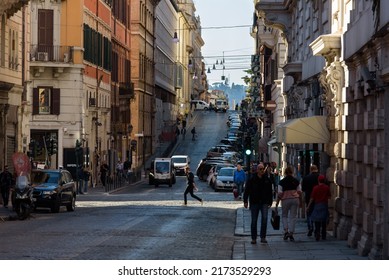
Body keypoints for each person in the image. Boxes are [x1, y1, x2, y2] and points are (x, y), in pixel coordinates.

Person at [243, 163, 273, 244]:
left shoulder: (267, 179)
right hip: (254, 202)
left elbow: (270, 192)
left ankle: (263, 237)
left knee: (264, 219)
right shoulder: (252, 180)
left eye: (263, 169)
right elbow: (247, 191)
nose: (262, 170)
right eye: (260, 169)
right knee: (254, 220)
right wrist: (245, 201)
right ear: (257, 170)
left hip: (264, 202)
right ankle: (254, 238)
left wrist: (270, 201)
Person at [275, 166, 302, 242]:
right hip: (295, 199)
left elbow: (280, 193)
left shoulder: (281, 182)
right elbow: (299, 191)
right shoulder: (296, 181)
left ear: (285, 173)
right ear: (292, 172)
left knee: (284, 215)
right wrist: (300, 201)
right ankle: (291, 232)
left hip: (285, 200)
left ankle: (286, 231)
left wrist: (277, 203)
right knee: (293, 216)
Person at [307, 174, 331, 241]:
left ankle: (317, 232)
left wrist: (308, 206)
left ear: (318, 180)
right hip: (324, 205)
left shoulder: (315, 188)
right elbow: (329, 196)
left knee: (317, 220)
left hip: (317, 205)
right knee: (324, 221)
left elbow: (312, 198)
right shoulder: (327, 187)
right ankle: (323, 235)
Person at [301, 164, 320, 236]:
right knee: (317, 213)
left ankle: (310, 227)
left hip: (308, 197)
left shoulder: (306, 178)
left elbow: (303, 189)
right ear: (317, 169)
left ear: (310, 170)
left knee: (309, 213)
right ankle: (316, 228)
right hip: (318, 198)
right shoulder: (319, 177)